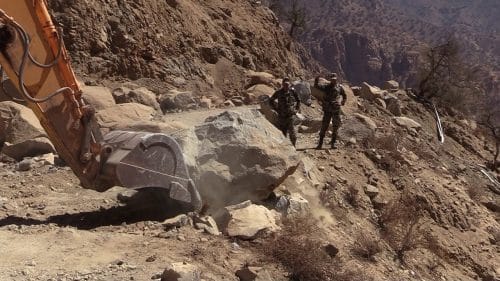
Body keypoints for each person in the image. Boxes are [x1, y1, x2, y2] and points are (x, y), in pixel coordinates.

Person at [314, 73, 347, 149]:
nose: (333, 80)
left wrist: (342, 102)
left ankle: (333, 144)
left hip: (336, 110)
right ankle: (320, 144)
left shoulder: (340, 87)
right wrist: (317, 79)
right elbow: (317, 86)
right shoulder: (326, 87)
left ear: (336, 79)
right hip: (327, 110)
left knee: (335, 127)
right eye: (332, 79)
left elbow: (344, 95)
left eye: (334, 79)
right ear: (330, 79)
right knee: (324, 126)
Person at [269, 77, 300, 147]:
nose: (286, 86)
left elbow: (298, 100)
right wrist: (276, 109)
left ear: (289, 85)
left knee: (293, 135)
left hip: (290, 117)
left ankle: (293, 148)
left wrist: (296, 109)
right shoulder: (278, 92)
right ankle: (284, 150)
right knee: (283, 135)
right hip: (282, 117)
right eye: (285, 84)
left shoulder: (292, 91)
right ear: (282, 84)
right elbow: (271, 100)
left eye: (287, 85)